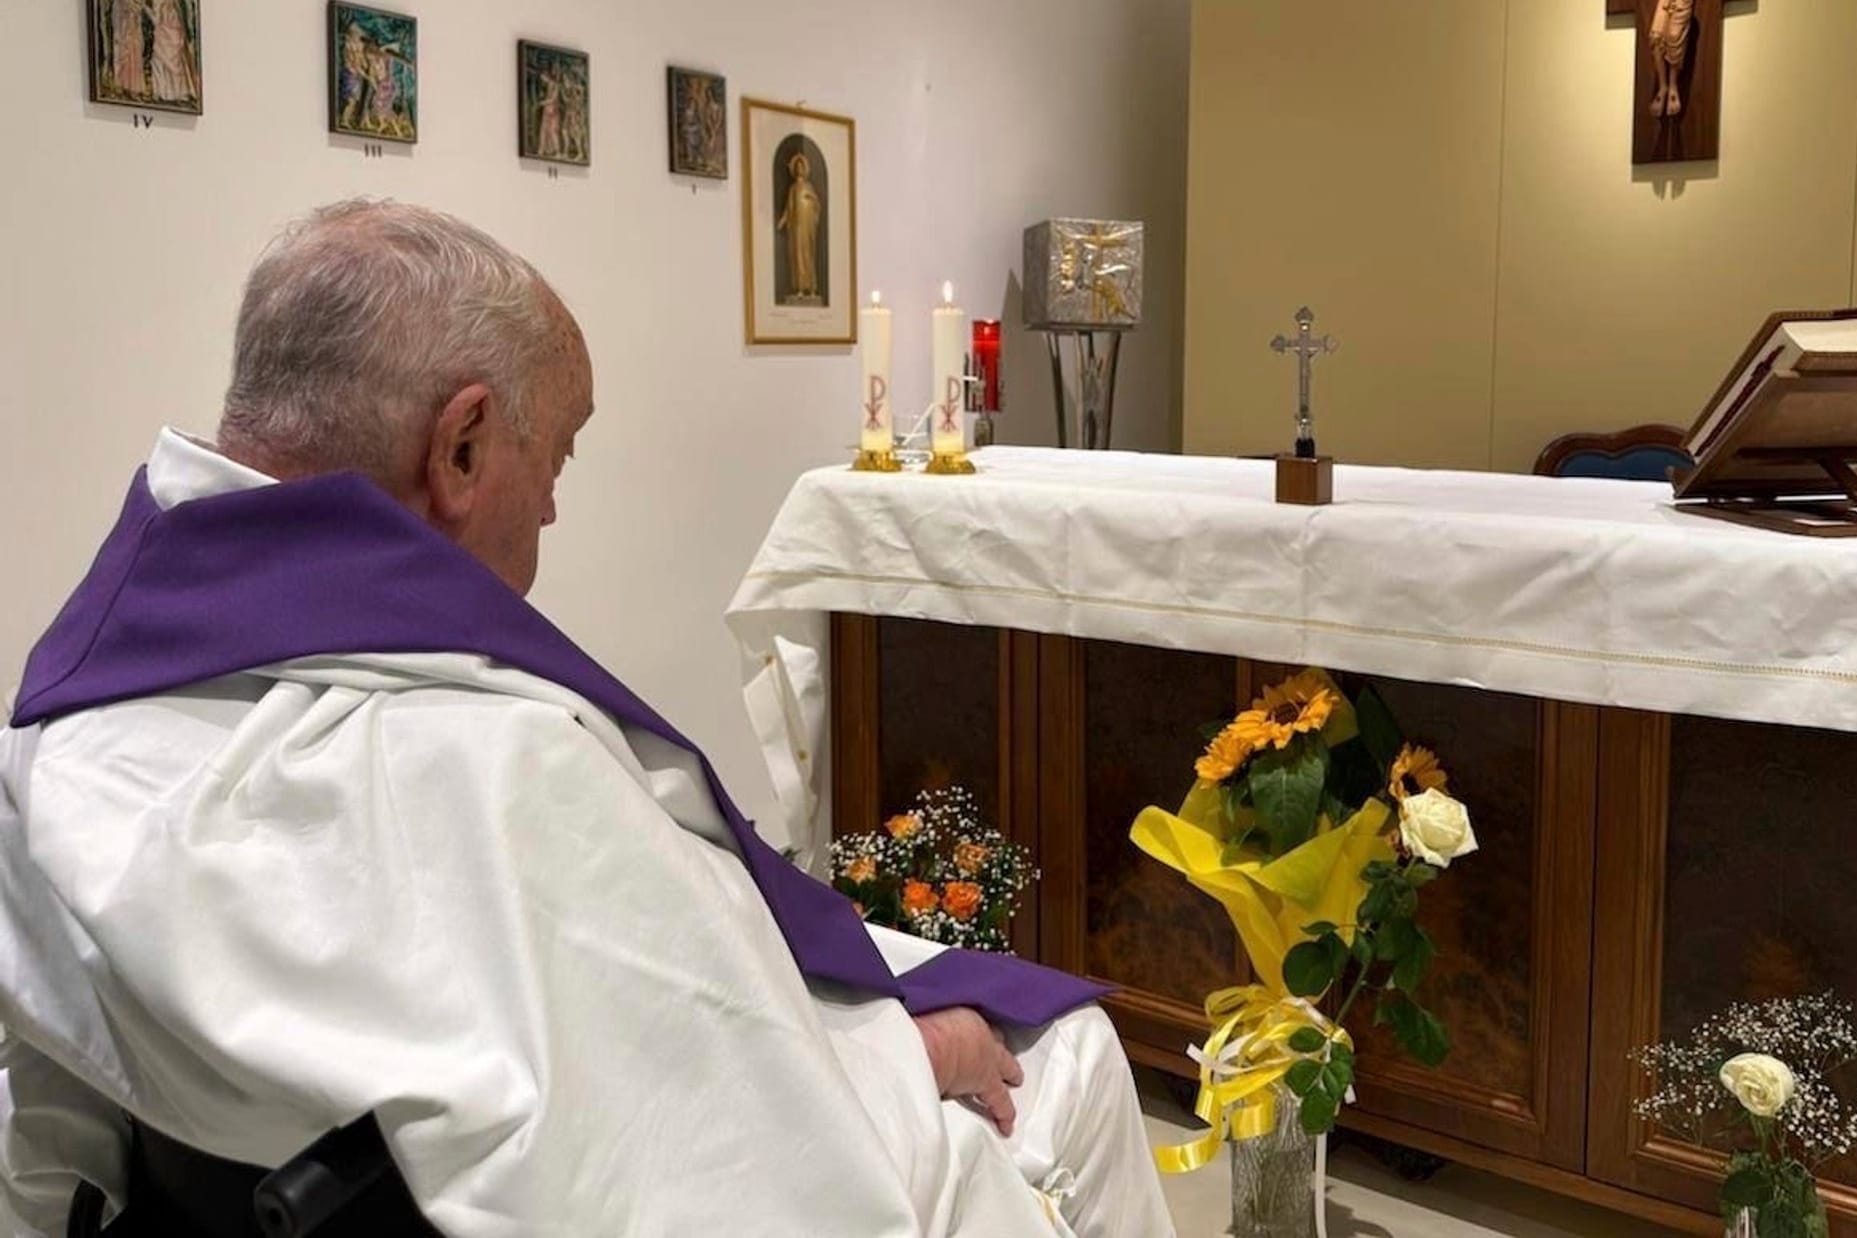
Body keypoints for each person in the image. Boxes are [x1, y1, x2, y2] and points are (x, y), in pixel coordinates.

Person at [0, 200, 1174, 1237]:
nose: (554, 506)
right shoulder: (493, 764)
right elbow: (692, 1126)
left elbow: (64, 1100)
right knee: (1070, 1054)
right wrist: (908, 1052)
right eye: (555, 453)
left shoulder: (70, 718)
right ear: (459, 447)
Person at [777, 151, 823, 302]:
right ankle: (800, 287)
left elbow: (817, 205)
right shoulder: (793, 189)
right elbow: (788, 208)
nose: (799, 169)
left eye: (801, 166)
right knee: (797, 256)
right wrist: (783, 220)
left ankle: (811, 287)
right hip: (796, 227)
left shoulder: (808, 187)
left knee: (808, 255)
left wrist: (812, 200)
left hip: (807, 226)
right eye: (797, 167)